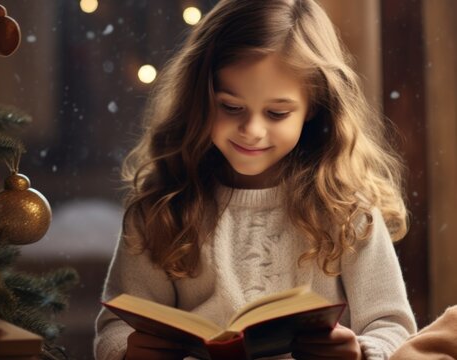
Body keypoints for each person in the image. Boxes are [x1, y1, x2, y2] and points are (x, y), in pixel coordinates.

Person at [94, 0, 417, 359]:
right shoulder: (162, 208)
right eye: (231, 107)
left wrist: (362, 352)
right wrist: (127, 351)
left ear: (313, 105)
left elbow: (393, 326)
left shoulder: (347, 209)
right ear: (199, 98)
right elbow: (114, 326)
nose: (251, 131)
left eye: (277, 113)